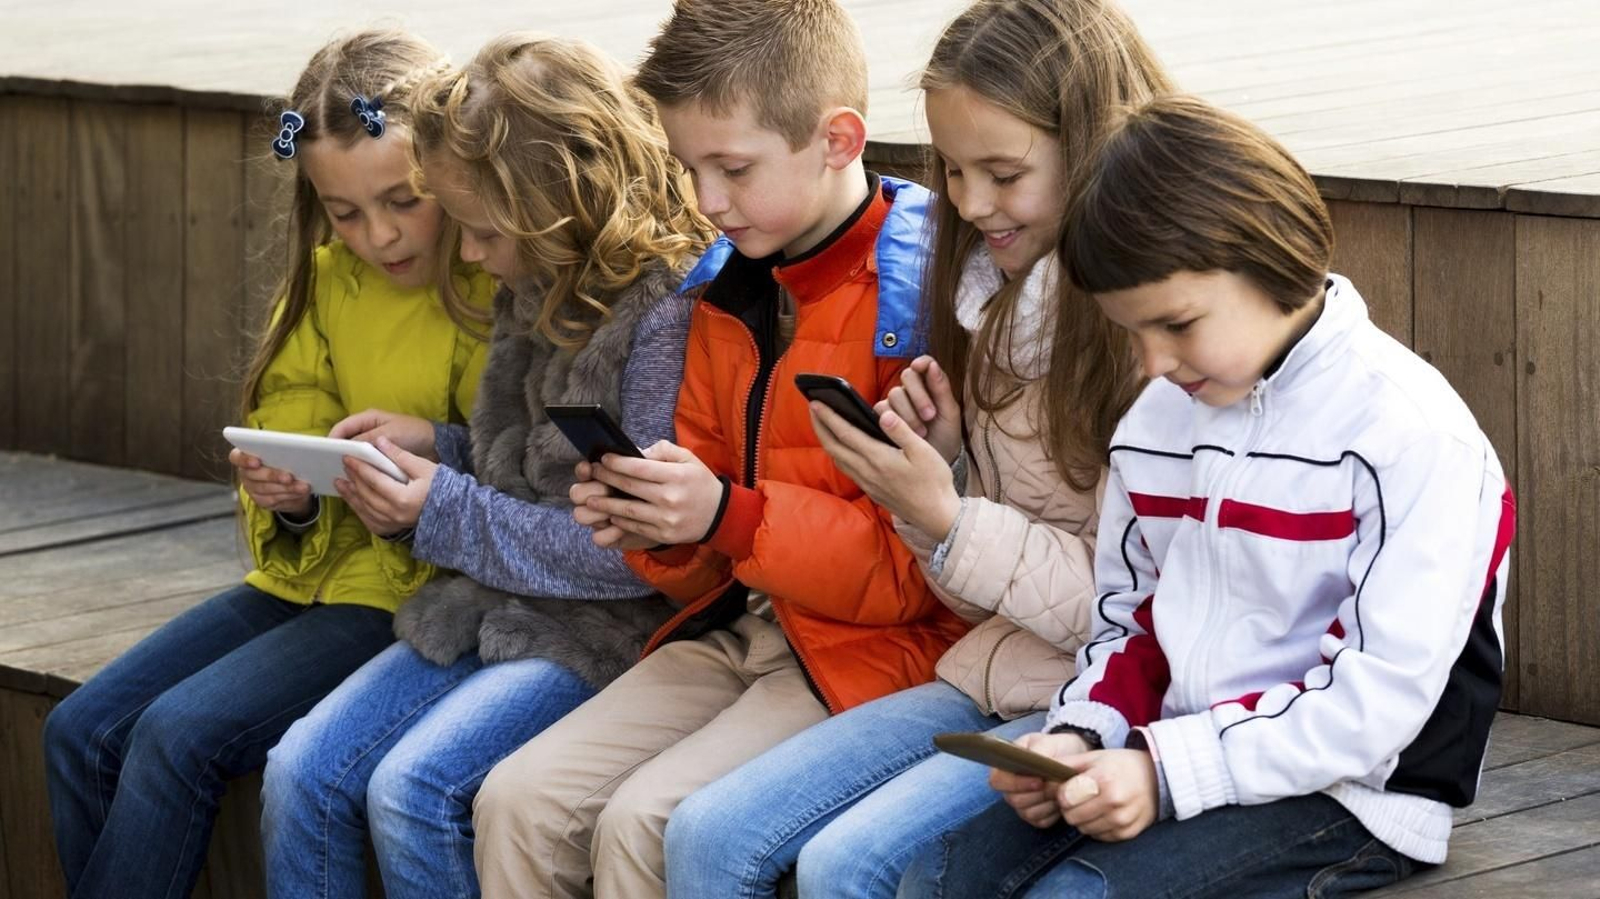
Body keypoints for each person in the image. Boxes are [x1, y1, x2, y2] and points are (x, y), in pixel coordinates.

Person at [903, 94, 1515, 899]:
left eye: (1177, 324)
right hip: (1175, 753)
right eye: (1133, 332)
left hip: (1351, 795)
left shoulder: (1411, 435)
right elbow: (1131, 621)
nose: (1153, 363)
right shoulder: (1160, 420)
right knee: (935, 878)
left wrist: (1164, 771)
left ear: (1269, 258)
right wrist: (1082, 734)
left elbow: (1371, 705)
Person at [660, 2, 1174, 896]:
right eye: (953, 172)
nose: (968, 205)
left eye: (1003, 173)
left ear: (1097, 148)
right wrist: (945, 477)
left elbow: (1142, 606)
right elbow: (971, 583)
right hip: (990, 666)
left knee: (842, 863)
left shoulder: (1156, 338)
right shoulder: (986, 295)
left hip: (1101, 702)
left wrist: (944, 511)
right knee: (704, 833)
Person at [468, 2, 969, 896]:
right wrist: (655, 523)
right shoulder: (721, 290)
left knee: (644, 823)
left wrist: (728, 516)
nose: (705, 201)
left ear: (839, 139)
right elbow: (705, 569)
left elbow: (916, 569)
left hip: (869, 653)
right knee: (516, 800)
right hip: (738, 628)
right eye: (690, 167)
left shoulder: (914, 304)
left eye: (732, 168)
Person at [258, 34, 719, 899]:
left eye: (479, 229)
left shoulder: (666, 315)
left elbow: (627, 556)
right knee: (301, 770)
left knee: (412, 788)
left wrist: (443, 509)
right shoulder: (535, 277)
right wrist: (443, 445)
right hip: (489, 598)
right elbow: (533, 475)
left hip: (609, 631)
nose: (466, 256)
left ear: (552, 202)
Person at [41, 29, 496, 899]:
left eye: (403, 199)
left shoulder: (488, 283)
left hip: (411, 598)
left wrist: (422, 454)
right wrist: (287, 496)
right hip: (305, 581)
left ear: (446, 167)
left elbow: (508, 477)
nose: (380, 234)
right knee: (78, 729)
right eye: (345, 212)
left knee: (176, 734)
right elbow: (291, 419)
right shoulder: (323, 283)